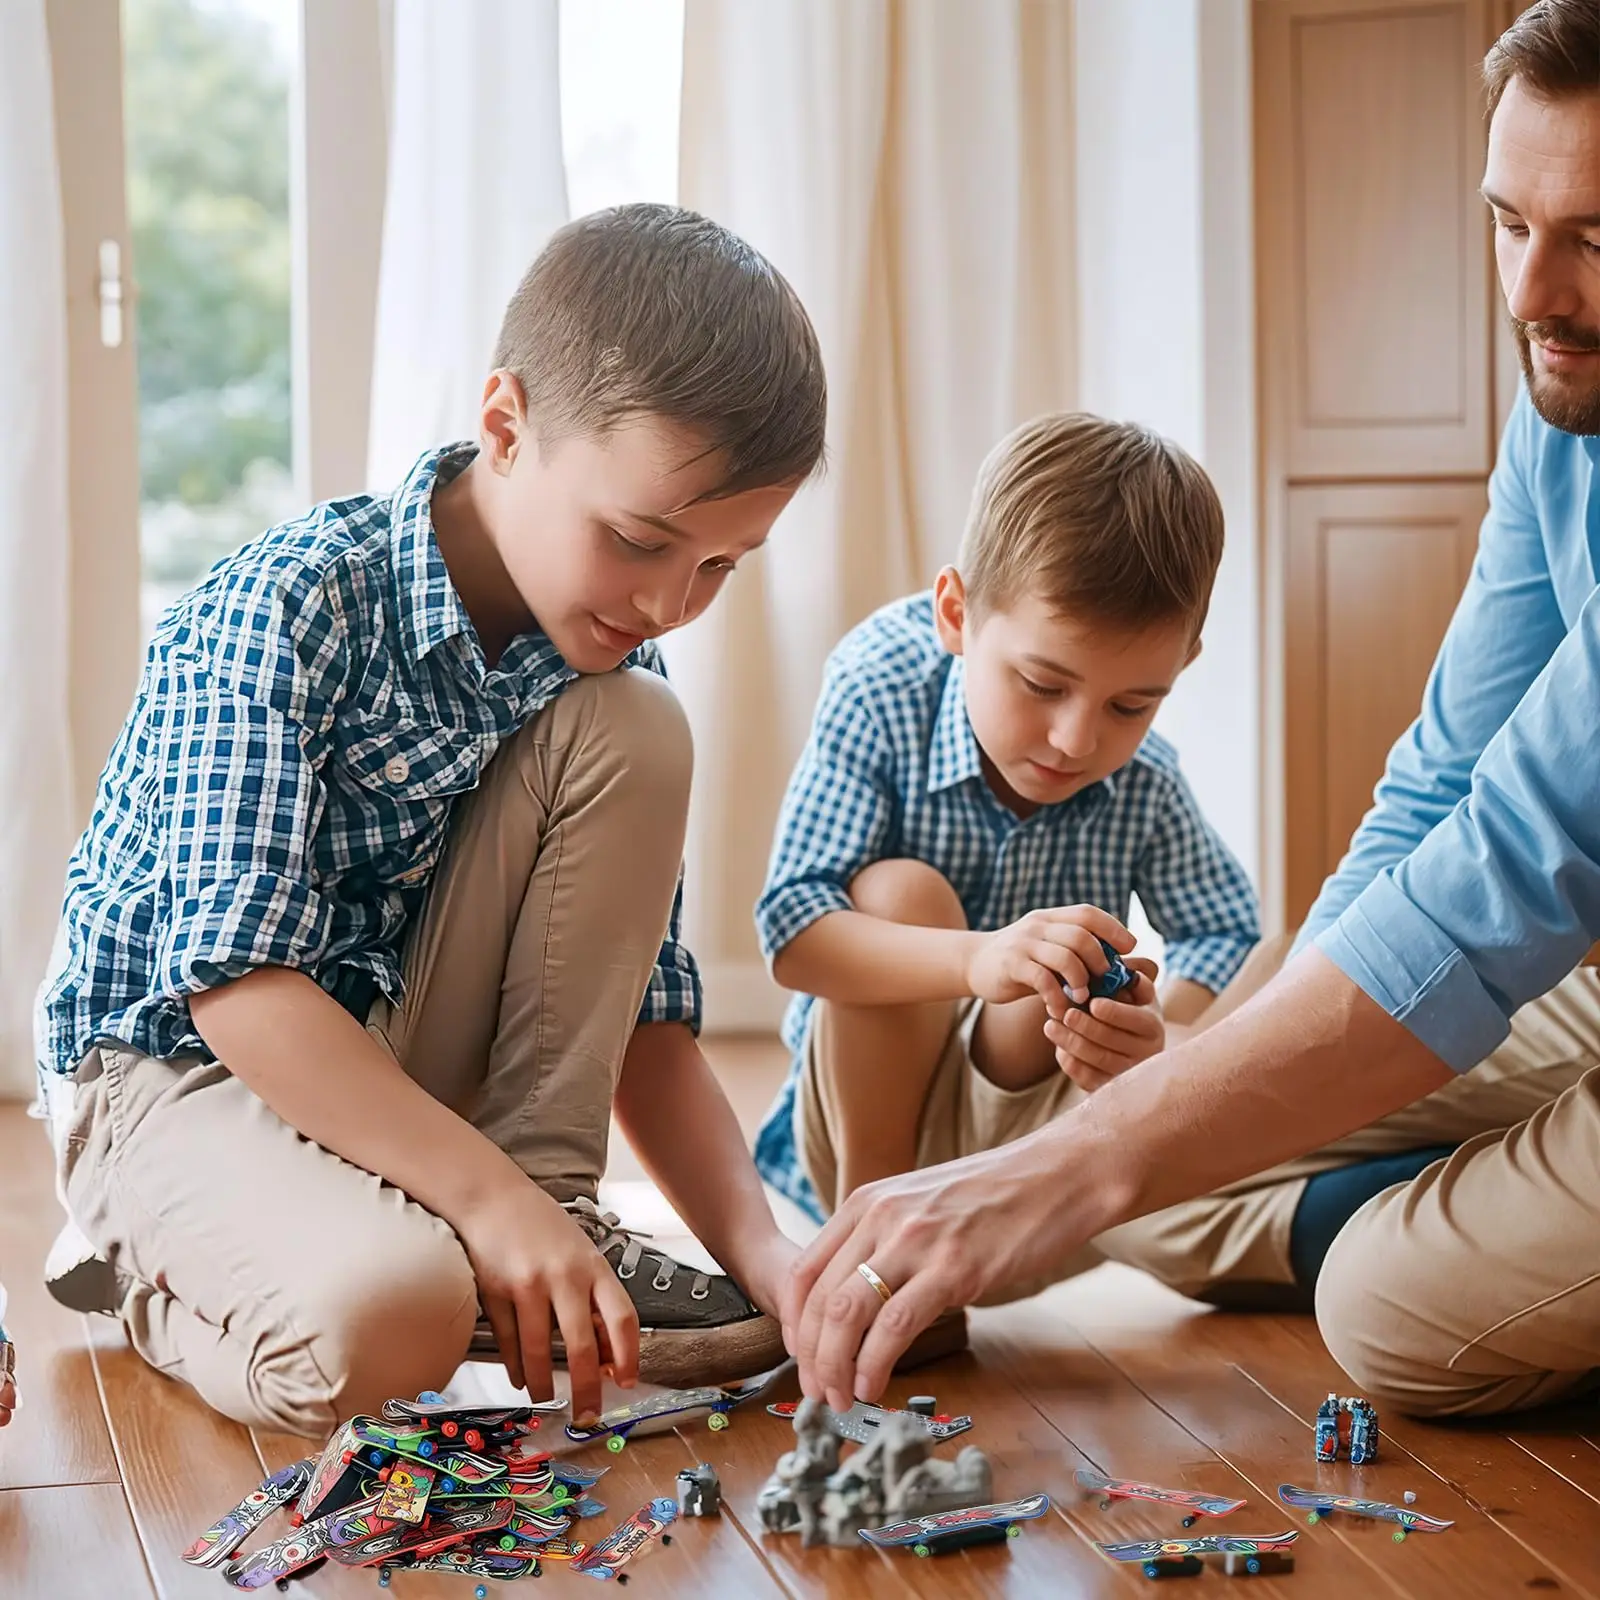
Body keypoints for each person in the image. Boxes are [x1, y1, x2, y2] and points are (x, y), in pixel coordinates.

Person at [782, 0, 1600, 1423]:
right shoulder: (1562, 417)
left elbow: (1506, 874)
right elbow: (1440, 789)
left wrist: (1086, 1151)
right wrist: (1163, 1098)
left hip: (1535, 929)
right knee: (1199, 1119)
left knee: (1380, 1299)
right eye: (1506, 221)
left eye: (1596, 239)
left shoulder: (1144, 788)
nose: (1531, 292)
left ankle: (1435, 1224)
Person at [36, 204, 826, 1437]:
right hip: (170, 1073)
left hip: (379, 1067)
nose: (673, 602)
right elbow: (239, 990)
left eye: (722, 565)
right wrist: (483, 1199)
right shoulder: (287, 606)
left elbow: (645, 1026)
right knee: (393, 1321)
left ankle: (546, 1220)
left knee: (637, 722)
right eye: (640, 540)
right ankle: (137, 1269)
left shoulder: (611, 662)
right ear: (504, 426)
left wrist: (766, 1254)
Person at [752, 414, 1267, 1306]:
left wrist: (1155, 1037)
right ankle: (869, 1256)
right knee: (901, 892)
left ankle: (950, 1260)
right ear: (956, 615)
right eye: (1042, 685)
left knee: (1068, 960)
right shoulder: (881, 685)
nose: (1076, 740)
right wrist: (976, 959)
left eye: (1131, 706)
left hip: (1025, 1152)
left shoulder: (1144, 777)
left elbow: (1226, 927)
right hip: (865, 1128)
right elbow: (794, 931)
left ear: (1184, 664)